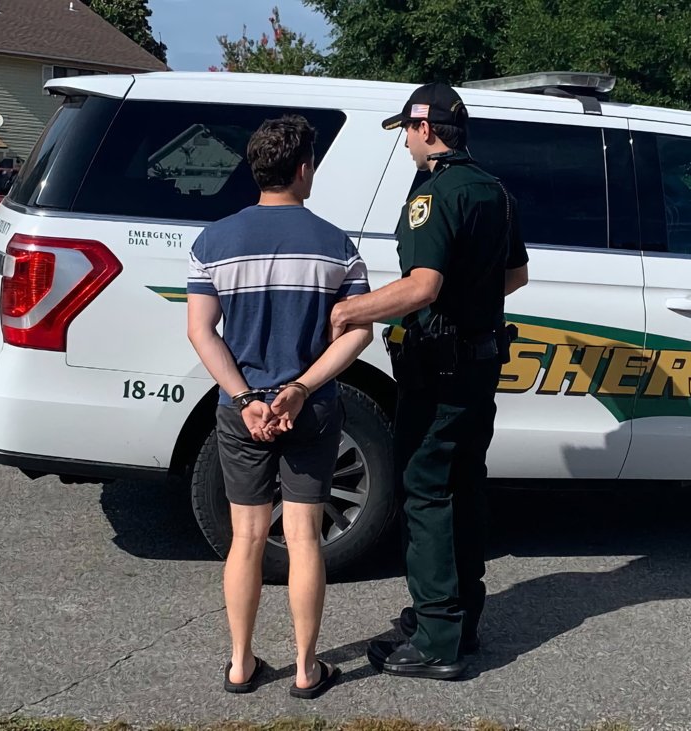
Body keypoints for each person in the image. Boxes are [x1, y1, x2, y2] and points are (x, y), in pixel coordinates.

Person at [329, 82, 530, 679]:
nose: (408, 146)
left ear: (426, 129)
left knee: (426, 493)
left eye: (409, 134)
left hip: (438, 371)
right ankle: (460, 619)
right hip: (479, 364)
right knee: (463, 486)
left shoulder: (435, 193)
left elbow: (421, 286)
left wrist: (347, 312)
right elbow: (516, 276)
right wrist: (468, 305)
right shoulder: (494, 190)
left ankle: (437, 638)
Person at [185, 115, 373, 698]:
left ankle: (241, 663)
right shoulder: (338, 245)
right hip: (310, 410)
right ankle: (306, 668)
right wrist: (300, 389)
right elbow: (357, 334)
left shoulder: (212, 242)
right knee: (304, 537)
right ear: (302, 168)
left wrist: (245, 398)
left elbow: (201, 332)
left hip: (242, 413)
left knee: (245, 539)